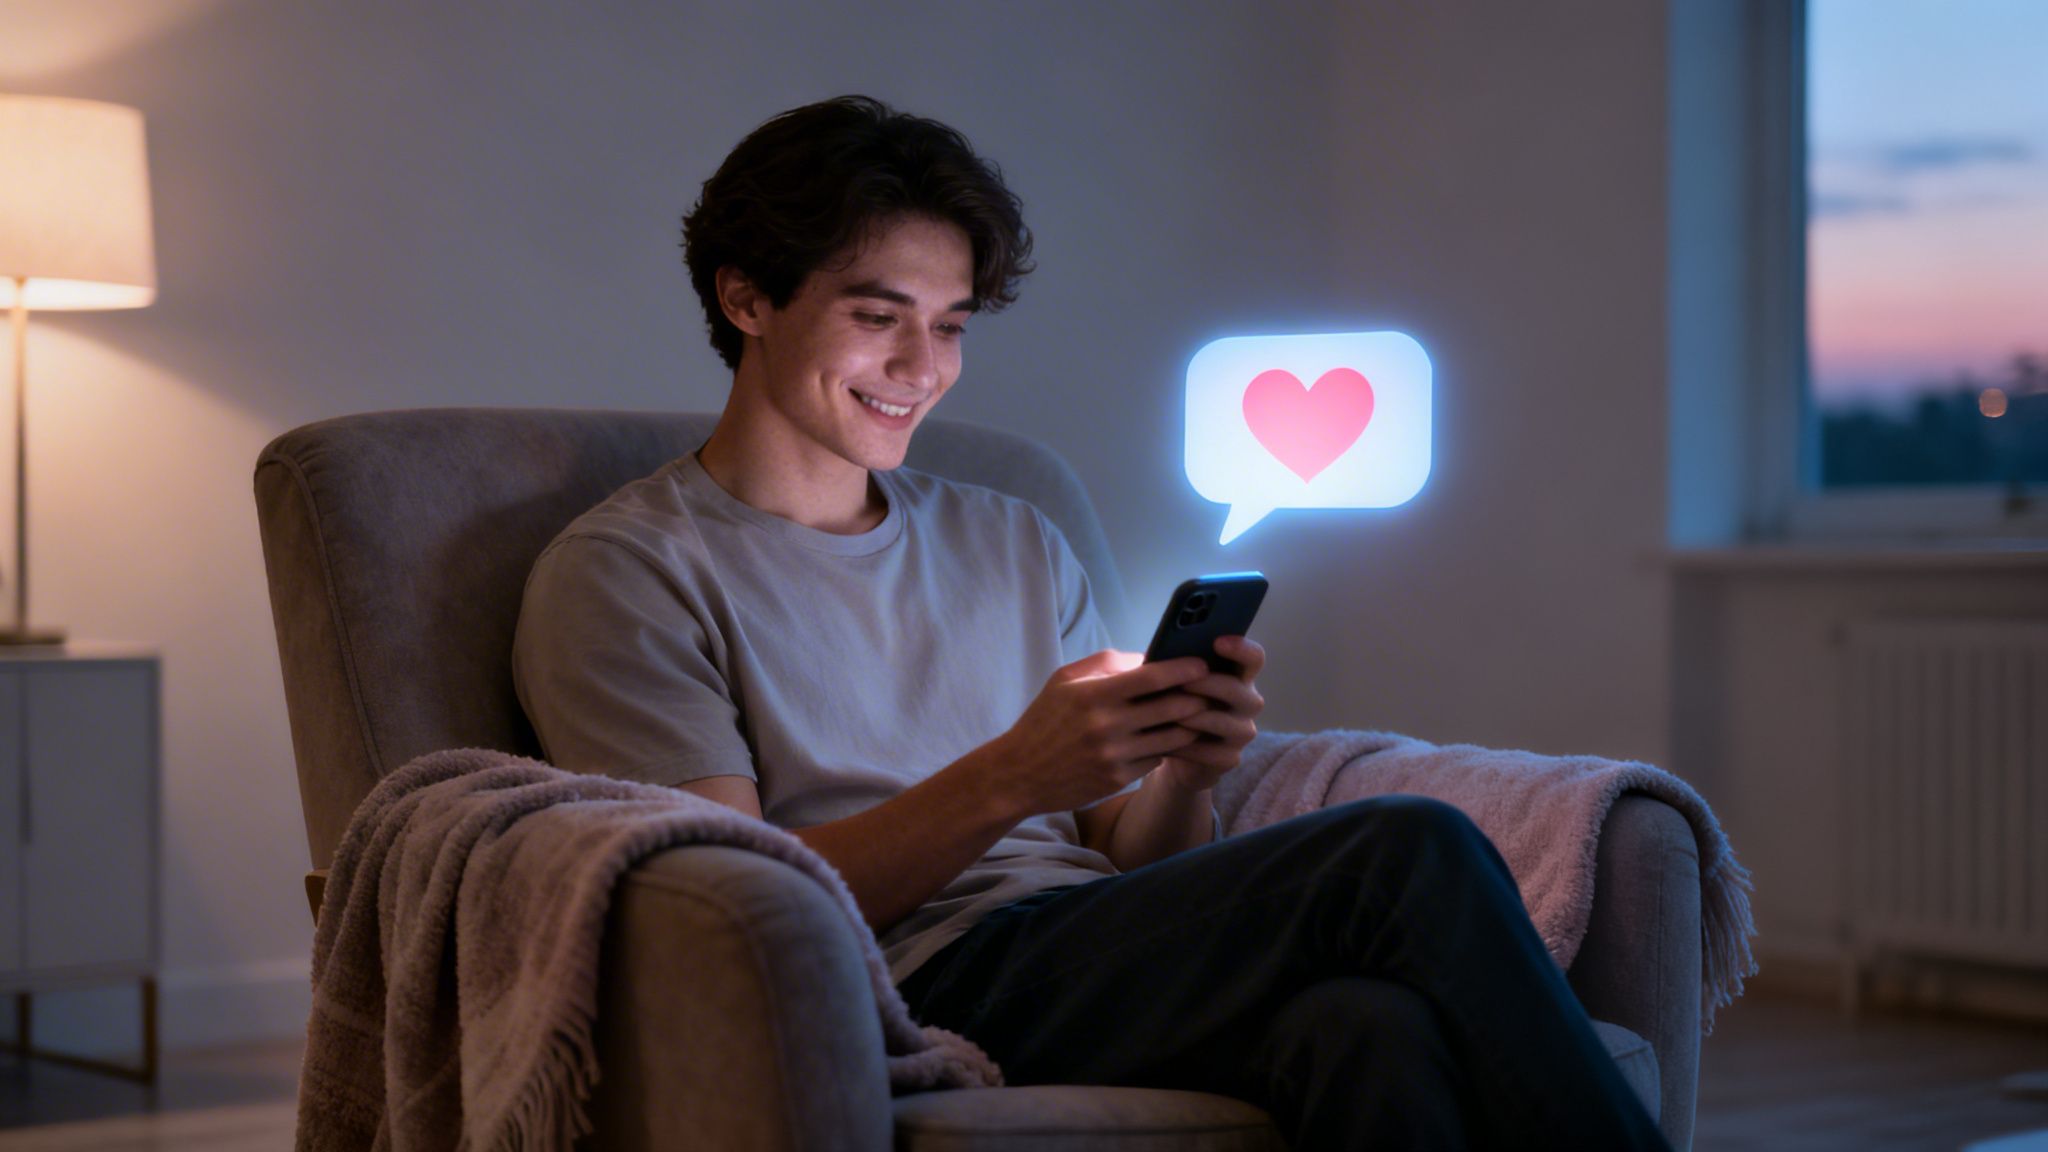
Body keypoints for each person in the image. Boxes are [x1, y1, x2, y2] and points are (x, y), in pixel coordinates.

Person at [512, 94, 1668, 1151]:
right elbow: (721, 914)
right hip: (904, 978)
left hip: (1089, 942)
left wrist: (1181, 774)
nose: (922, 368)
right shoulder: (625, 575)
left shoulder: (1010, 534)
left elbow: (1130, 857)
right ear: (745, 296)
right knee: (1406, 850)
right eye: (879, 317)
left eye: (952, 325)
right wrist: (1010, 777)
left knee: (1366, 1032)